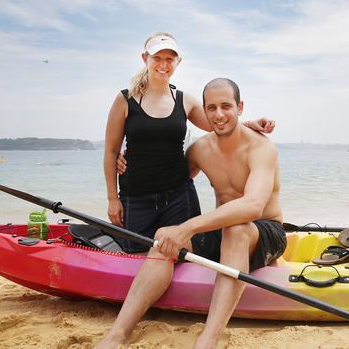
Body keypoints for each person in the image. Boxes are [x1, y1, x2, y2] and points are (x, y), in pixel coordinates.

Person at [96, 78, 287, 349]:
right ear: (205, 113)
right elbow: (168, 177)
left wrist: (188, 227)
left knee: (235, 229)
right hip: (225, 234)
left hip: (266, 231)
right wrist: (127, 161)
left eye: (226, 106)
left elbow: (252, 206)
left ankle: (208, 339)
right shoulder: (200, 150)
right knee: (163, 238)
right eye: (212, 108)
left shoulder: (261, 147)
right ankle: (118, 333)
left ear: (240, 107)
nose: (219, 115)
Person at [104, 32, 274, 253]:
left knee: (182, 252)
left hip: (178, 194)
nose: (163, 65)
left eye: (169, 59)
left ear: (178, 62)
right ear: (145, 58)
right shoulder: (125, 100)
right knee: (135, 251)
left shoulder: (185, 101)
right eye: (157, 58)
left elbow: (219, 123)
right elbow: (110, 151)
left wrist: (250, 123)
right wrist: (111, 199)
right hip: (136, 196)